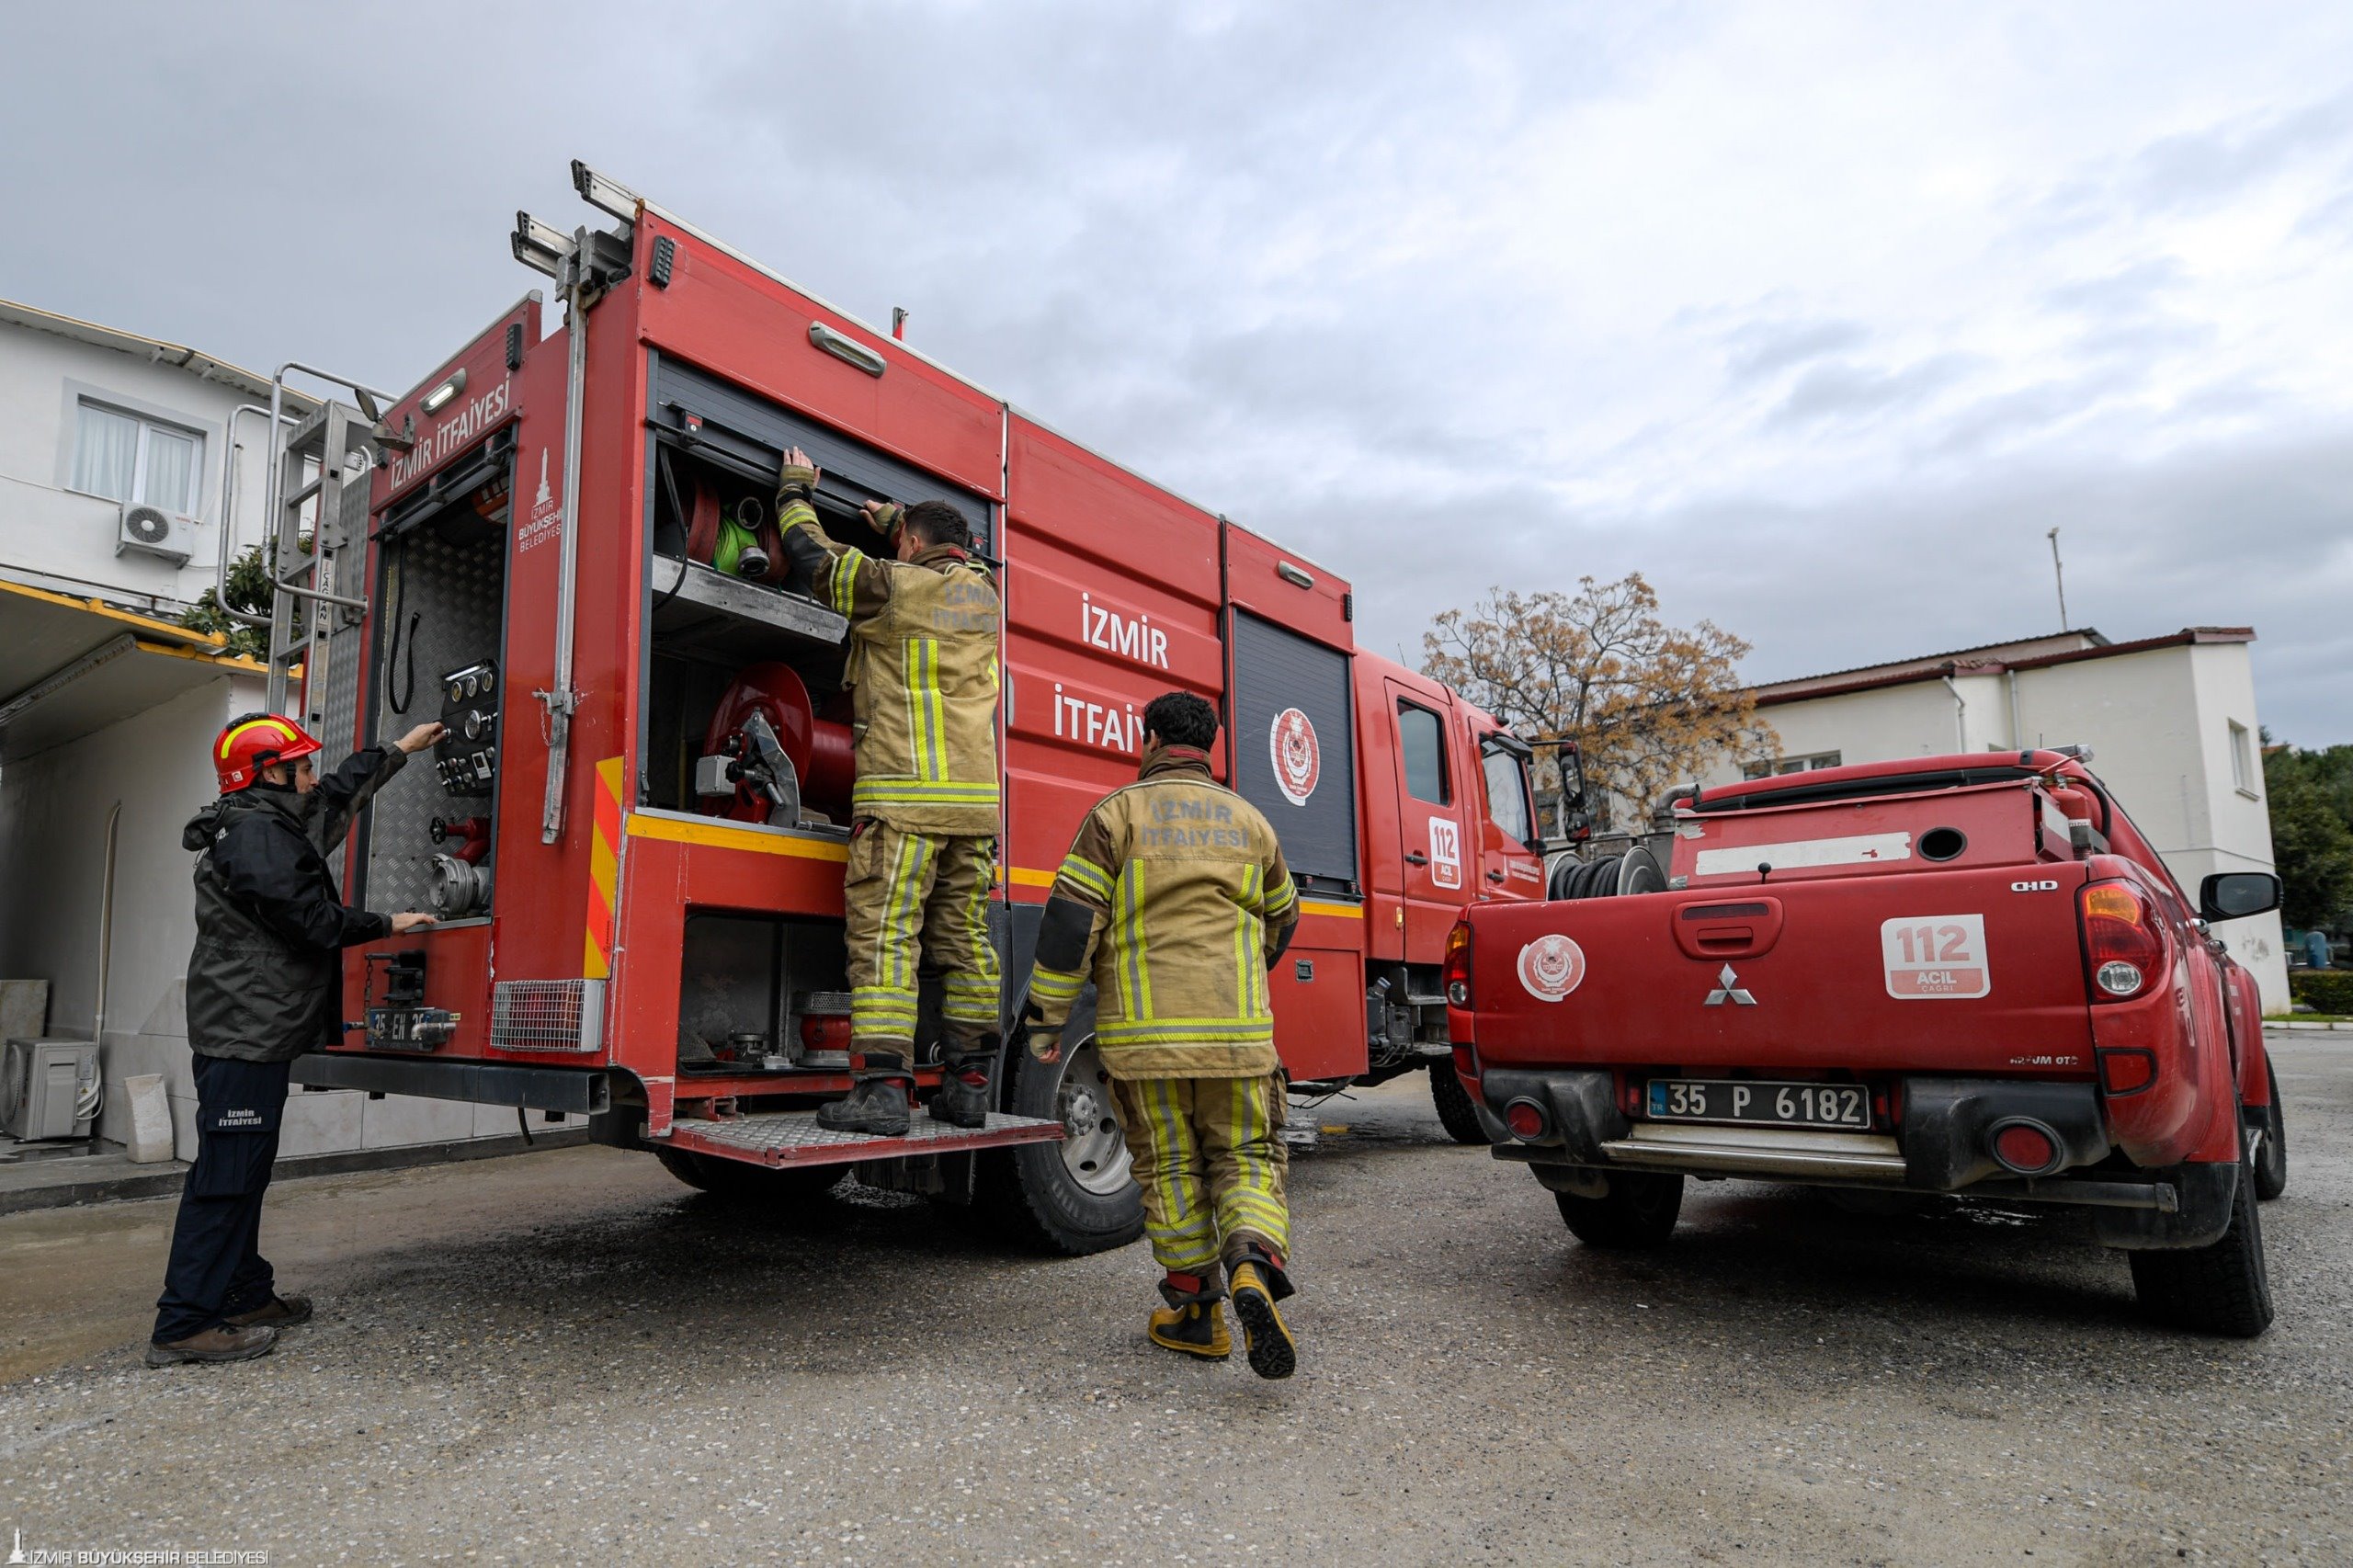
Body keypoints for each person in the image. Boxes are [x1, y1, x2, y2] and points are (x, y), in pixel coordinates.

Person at [147, 714, 444, 1368]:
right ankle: (184, 1323)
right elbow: (308, 920)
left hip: (253, 1028)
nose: (313, 776)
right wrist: (387, 921)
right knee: (225, 1178)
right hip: (244, 1033)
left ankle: (245, 1293)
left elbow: (337, 793)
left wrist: (400, 750)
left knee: (243, 1171)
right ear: (268, 772)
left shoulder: (266, 818)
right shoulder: (256, 836)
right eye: (301, 766)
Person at [1023, 691, 1302, 1378]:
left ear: (1148, 740)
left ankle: (1195, 1312)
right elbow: (1284, 919)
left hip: (1143, 1045)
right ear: (1211, 746)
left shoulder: (1115, 815)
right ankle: (1252, 1267)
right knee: (1247, 1158)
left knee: (1171, 1168)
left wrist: (1046, 1022)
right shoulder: (1250, 821)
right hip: (1237, 1042)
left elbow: (1068, 927)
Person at [776, 448, 1004, 1136]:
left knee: (885, 939)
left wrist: (794, 492)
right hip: (972, 806)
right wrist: (900, 521)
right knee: (965, 942)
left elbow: (812, 559)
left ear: (909, 547)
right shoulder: (986, 594)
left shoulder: (894, 586)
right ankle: (967, 1090)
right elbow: (954, 553)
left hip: (903, 796)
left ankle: (880, 1091)